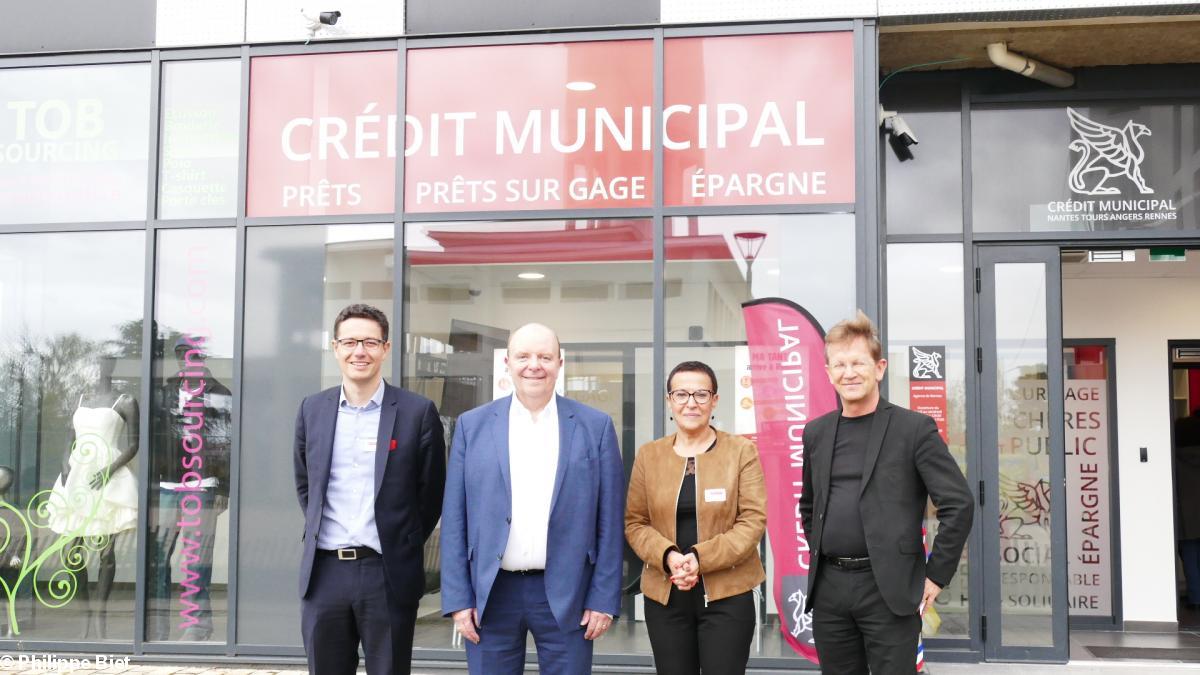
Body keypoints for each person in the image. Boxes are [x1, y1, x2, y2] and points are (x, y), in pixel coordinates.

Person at [440, 322, 624, 675]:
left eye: (544, 356)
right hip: (491, 596)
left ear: (560, 363)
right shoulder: (472, 426)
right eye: (523, 356)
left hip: (568, 593)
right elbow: (455, 518)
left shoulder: (595, 426)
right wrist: (459, 599)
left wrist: (603, 599)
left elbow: (610, 521)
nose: (534, 365)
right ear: (507, 362)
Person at [799, 311, 973, 674]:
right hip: (829, 589)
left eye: (858, 362)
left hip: (889, 589)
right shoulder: (816, 432)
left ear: (879, 368)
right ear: (829, 372)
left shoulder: (914, 429)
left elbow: (958, 503)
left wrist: (936, 575)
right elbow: (810, 504)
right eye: (840, 364)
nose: (849, 372)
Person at [293, 303, 446, 675]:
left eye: (369, 342)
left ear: (386, 348)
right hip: (325, 573)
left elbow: (431, 495)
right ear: (335, 347)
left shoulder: (416, 412)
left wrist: (401, 539)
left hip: (387, 573)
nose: (359, 351)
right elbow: (305, 484)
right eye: (349, 342)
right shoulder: (312, 409)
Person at [625, 360, 766, 675]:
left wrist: (699, 559)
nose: (691, 403)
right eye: (682, 394)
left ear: (714, 400)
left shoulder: (741, 452)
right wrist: (669, 556)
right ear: (670, 400)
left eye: (701, 394)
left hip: (728, 596)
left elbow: (752, 522)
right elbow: (635, 523)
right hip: (666, 597)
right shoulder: (649, 456)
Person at [149, 334, 233, 641]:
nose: (188, 360)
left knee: (197, 557)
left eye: (194, 355)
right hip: (167, 485)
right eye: (183, 354)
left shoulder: (221, 393)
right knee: (158, 556)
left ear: (202, 359)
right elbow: (154, 439)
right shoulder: (165, 393)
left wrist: (224, 487)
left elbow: (227, 443)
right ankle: (156, 626)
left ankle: (198, 625)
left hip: (203, 485)